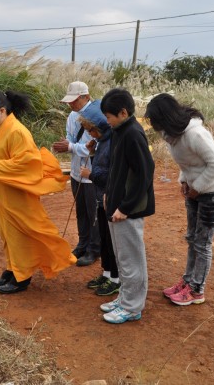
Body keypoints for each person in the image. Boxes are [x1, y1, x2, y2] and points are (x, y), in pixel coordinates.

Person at [0, 89, 77, 294]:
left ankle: (22, 277)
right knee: (8, 233)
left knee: (22, 233)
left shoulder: (18, 131)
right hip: (3, 192)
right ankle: (12, 269)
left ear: (2, 110)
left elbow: (26, 164)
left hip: (18, 192)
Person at [145, 93, 214, 306]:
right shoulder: (172, 134)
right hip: (195, 190)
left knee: (202, 243)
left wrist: (199, 187)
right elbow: (188, 165)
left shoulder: (195, 134)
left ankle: (196, 290)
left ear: (165, 118)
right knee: (192, 238)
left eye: (155, 121)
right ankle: (187, 282)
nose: (154, 126)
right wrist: (184, 181)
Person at [98, 88, 155, 324]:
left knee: (132, 259)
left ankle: (132, 307)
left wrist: (125, 207)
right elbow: (117, 171)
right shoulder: (120, 131)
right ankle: (124, 298)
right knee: (122, 257)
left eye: (109, 116)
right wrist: (108, 196)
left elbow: (145, 173)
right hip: (115, 205)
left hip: (127, 210)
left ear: (123, 112)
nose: (107, 121)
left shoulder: (133, 133)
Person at [52, 81, 101, 266]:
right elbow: (72, 138)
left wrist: (70, 146)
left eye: (74, 100)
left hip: (90, 174)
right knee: (81, 211)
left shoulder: (96, 116)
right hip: (75, 172)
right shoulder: (72, 116)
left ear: (86, 97)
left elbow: (94, 147)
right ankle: (83, 243)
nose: (71, 104)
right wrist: (65, 145)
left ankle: (94, 249)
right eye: (70, 101)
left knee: (93, 213)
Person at [77, 102, 121, 297]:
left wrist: (90, 175)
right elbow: (100, 164)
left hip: (109, 197)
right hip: (100, 197)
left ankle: (116, 279)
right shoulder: (102, 141)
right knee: (103, 237)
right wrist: (93, 152)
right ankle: (106, 273)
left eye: (91, 130)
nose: (90, 134)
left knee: (112, 241)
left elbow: (111, 174)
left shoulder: (114, 142)